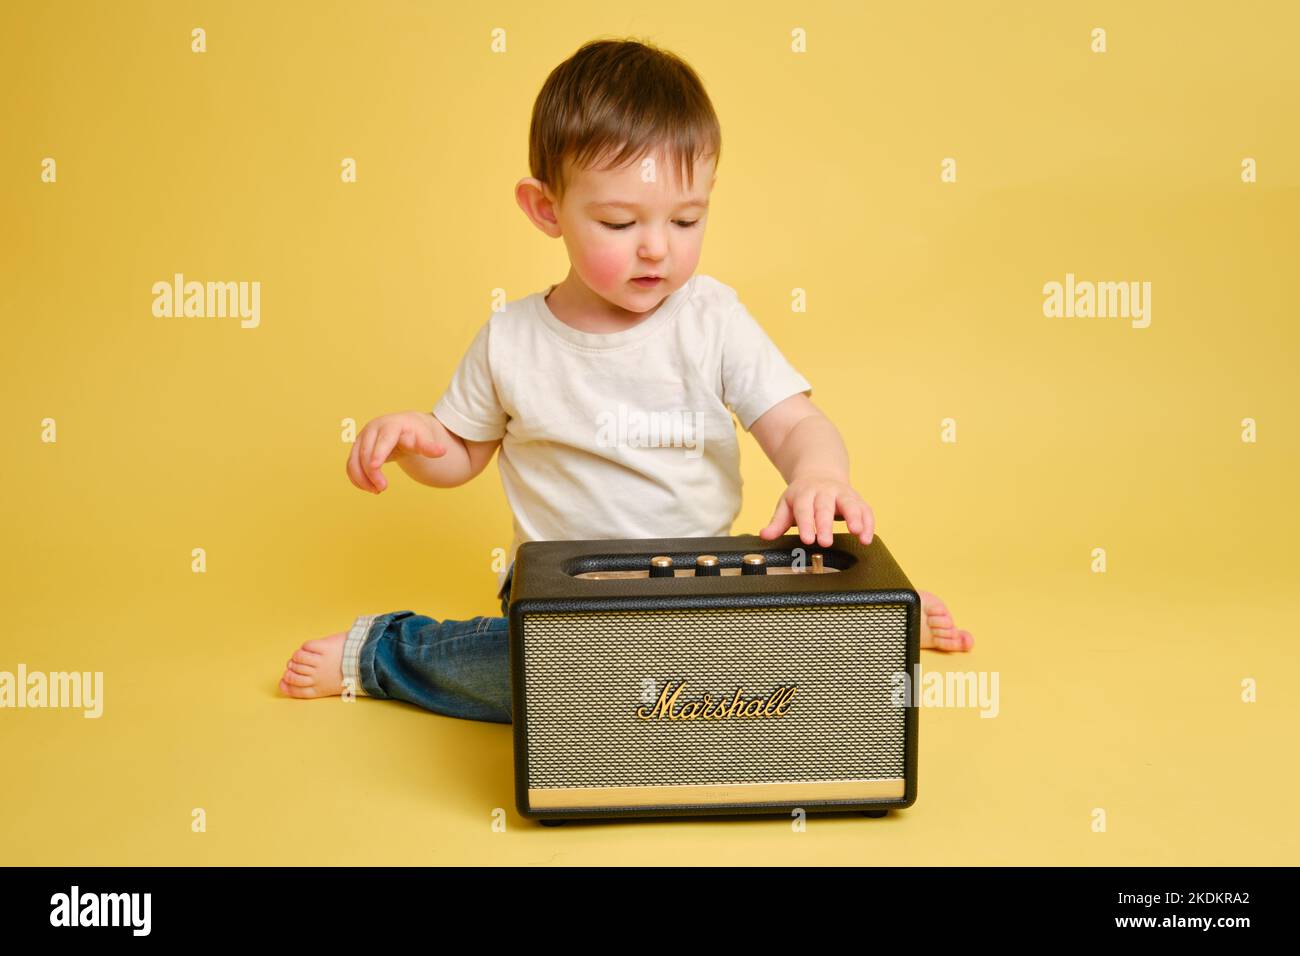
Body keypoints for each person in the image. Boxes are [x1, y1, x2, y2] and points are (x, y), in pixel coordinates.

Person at [279, 38, 973, 719]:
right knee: (546, 687)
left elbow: (794, 422)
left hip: (700, 595)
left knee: (759, 679)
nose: (656, 247)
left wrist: (819, 476)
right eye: (618, 221)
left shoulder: (712, 319)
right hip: (565, 606)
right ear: (546, 208)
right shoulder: (511, 338)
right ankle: (382, 653)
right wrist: (418, 442)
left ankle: (865, 625)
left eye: (686, 218)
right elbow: (462, 454)